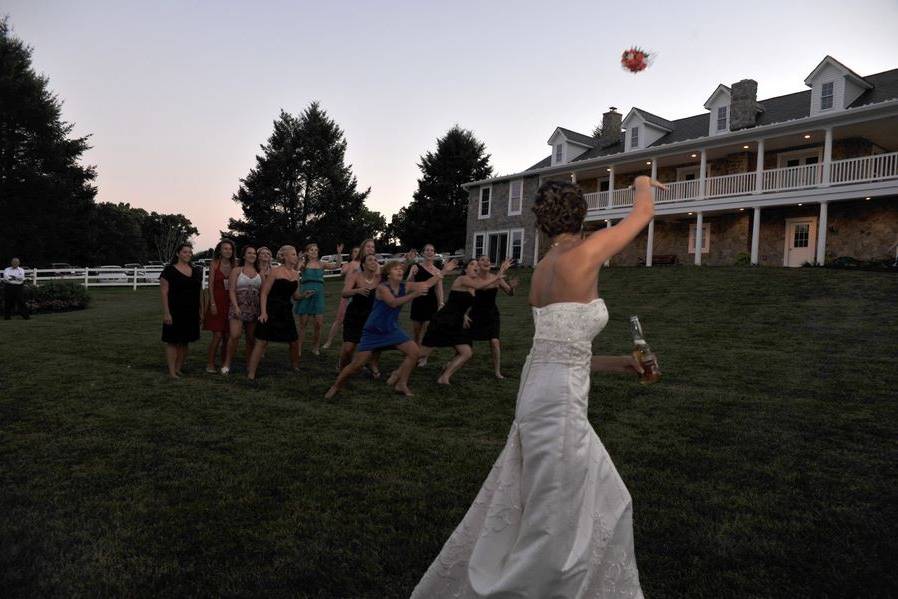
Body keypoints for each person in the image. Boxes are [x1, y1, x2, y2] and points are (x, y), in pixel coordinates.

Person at [411, 176, 666, 598]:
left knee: (603, 496)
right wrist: (641, 182)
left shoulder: (542, 271)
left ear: (541, 222)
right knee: (556, 523)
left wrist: (622, 363)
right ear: (581, 214)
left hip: (541, 390)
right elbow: (644, 212)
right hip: (559, 403)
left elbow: (558, 352)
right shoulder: (586, 252)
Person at [324, 258, 456, 399]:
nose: (400, 270)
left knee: (414, 352)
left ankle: (401, 384)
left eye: (401, 269)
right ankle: (336, 386)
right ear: (388, 274)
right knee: (357, 364)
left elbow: (427, 284)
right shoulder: (382, 288)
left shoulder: (404, 286)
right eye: (396, 269)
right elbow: (393, 303)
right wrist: (414, 295)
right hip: (373, 331)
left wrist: (444, 271)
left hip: (391, 329)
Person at [418, 258, 512, 385]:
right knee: (422, 353)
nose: (477, 266)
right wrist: (499, 274)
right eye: (473, 264)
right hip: (443, 321)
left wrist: (463, 314)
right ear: (466, 268)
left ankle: (444, 377)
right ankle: (400, 371)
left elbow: (469, 298)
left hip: (457, 321)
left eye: (477, 265)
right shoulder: (462, 279)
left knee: (466, 352)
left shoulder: (474, 282)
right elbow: (478, 287)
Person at [246, 245, 314, 379]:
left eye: (295, 254)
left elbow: (295, 296)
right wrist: (264, 312)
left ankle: (295, 367)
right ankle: (251, 373)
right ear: (285, 256)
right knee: (261, 342)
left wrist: (304, 295)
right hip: (271, 310)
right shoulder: (275, 272)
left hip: (286, 311)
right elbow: (264, 293)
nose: (296, 256)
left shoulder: (295, 274)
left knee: (294, 342)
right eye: (293, 254)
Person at [467, 254, 520, 379]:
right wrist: (500, 272)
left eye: (488, 260)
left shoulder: (497, 278)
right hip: (475, 314)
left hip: (491, 314)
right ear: (478, 264)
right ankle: (452, 364)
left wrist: (512, 287)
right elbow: (482, 287)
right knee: (466, 345)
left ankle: (497, 372)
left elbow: (510, 293)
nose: (486, 261)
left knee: (495, 342)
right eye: (482, 260)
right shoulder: (473, 279)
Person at [159, 243, 203, 378]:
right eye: (185, 252)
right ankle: (172, 371)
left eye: (190, 252)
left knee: (185, 341)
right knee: (172, 341)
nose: (188, 254)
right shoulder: (169, 270)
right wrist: (167, 312)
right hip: (174, 311)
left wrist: (201, 311)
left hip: (191, 311)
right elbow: (164, 292)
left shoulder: (196, 271)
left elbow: (199, 292)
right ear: (178, 254)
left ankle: (178, 369)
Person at [293, 242, 343, 356]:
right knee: (303, 324)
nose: (314, 252)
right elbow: (295, 270)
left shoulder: (321, 264)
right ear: (307, 252)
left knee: (318, 324)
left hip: (318, 294)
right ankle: (298, 348)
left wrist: (339, 253)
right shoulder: (304, 263)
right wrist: (300, 259)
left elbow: (337, 265)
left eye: (316, 250)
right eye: (311, 250)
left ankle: (315, 348)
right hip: (305, 292)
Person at [221, 246, 262, 374]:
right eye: (249, 253)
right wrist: (236, 306)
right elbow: (232, 290)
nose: (252, 255)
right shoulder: (237, 270)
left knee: (251, 338)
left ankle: (250, 364)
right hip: (237, 307)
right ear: (244, 256)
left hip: (254, 309)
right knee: (235, 335)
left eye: (254, 253)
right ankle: (227, 363)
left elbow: (263, 293)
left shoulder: (259, 273)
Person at [336, 253, 380, 370]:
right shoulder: (356, 276)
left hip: (370, 317)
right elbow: (344, 293)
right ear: (363, 264)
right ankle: (341, 367)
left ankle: (369, 366)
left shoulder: (379, 278)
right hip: (354, 315)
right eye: (370, 260)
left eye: (375, 260)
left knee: (371, 346)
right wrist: (357, 290)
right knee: (348, 348)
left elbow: (397, 275)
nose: (373, 262)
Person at [203, 238, 236, 373]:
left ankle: (224, 363)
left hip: (231, 302)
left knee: (228, 335)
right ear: (220, 251)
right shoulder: (214, 264)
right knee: (217, 335)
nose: (228, 251)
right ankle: (210, 364)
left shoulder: (236, 264)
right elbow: (210, 285)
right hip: (217, 302)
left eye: (230, 249)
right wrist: (212, 303)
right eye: (225, 249)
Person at [322, 245, 361, 350]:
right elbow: (342, 272)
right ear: (351, 254)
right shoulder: (348, 264)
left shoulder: (364, 265)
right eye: (355, 252)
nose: (357, 253)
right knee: (339, 319)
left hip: (359, 296)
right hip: (347, 295)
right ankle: (329, 341)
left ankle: (356, 342)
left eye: (359, 251)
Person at [407, 244, 444, 347]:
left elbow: (438, 288)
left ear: (434, 253)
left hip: (431, 302)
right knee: (417, 332)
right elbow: (409, 284)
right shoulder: (416, 266)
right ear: (423, 253)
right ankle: (416, 351)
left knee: (427, 329)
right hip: (418, 301)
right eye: (427, 250)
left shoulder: (437, 271)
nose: (429, 252)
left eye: (432, 250)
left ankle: (423, 356)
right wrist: (413, 274)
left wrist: (441, 303)